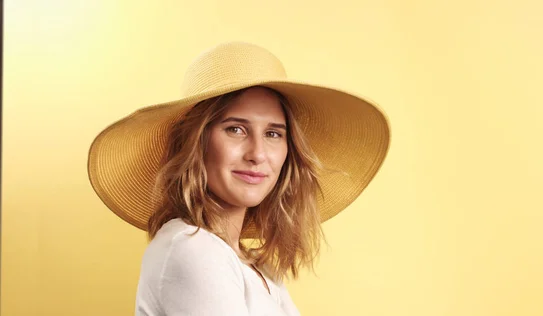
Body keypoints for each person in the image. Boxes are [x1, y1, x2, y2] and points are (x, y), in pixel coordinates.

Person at [87, 41, 390, 315]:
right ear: (195, 142)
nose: (258, 153)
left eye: (273, 133)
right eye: (236, 129)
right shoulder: (191, 248)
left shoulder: (257, 267)